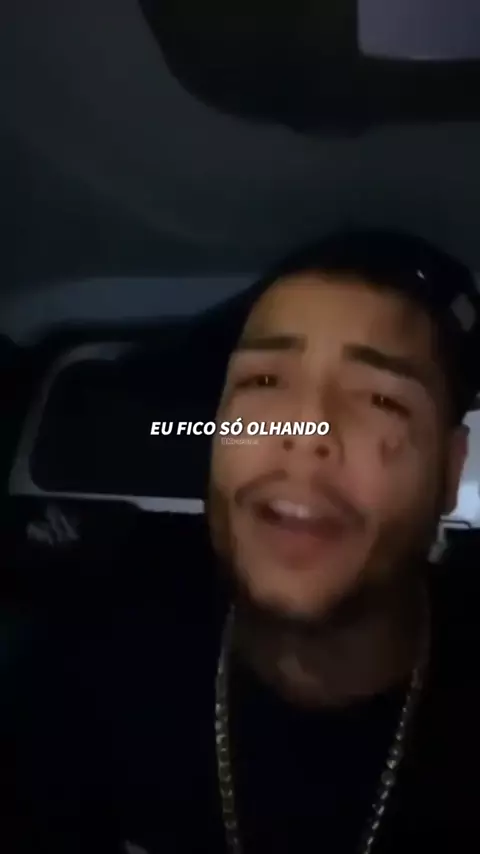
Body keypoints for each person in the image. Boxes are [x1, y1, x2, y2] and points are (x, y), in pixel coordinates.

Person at [4, 230, 480, 854]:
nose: (305, 430)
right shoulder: (85, 667)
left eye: (382, 399)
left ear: (451, 470)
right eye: (263, 382)